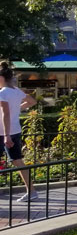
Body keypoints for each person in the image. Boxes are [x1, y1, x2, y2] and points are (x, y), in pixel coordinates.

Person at [0, 62, 38, 201]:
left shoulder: (3, 93)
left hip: (4, 134)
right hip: (15, 131)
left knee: (18, 162)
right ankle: (32, 192)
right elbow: (32, 101)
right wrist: (17, 109)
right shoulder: (16, 91)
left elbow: (5, 114)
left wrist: (6, 136)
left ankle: (32, 192)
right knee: (18, 162)